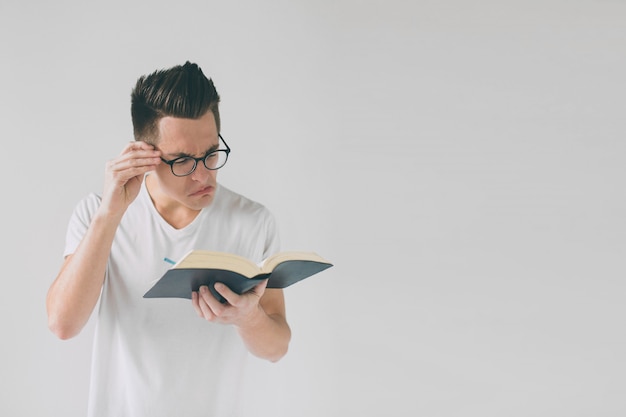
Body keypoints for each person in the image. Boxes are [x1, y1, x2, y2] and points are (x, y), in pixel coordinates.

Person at [46, 61, 291, 417]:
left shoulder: (253, 222)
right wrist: (110, 215)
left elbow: (277, 348)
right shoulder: (98, 214)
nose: (203, 175)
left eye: (210, 154)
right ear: (144, 156)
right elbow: (63, 325)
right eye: (183, 161)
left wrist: (247, 318)